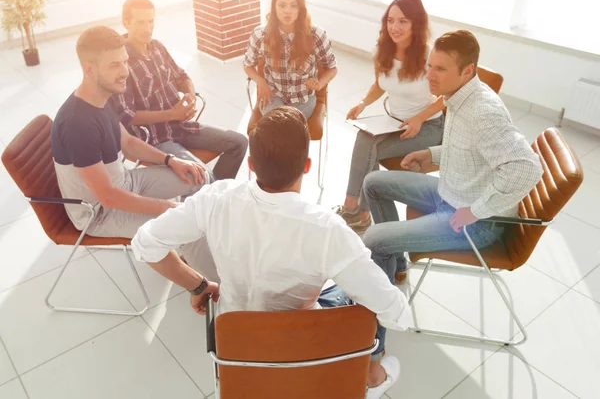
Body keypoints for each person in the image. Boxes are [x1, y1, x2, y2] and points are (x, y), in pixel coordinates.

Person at [131, 107, 413, 399]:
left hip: (236, 346)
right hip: (303, 345)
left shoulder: (216, 199)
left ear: (251, 164)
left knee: (345, 278)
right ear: (306, 165)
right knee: (356, 283)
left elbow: (145, 244)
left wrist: (199, 285)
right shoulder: (329, 230)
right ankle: (373, 375)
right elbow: (396, 314)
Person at [362, 29, 544, 287]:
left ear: (467, 71)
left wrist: (475, 211)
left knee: (373, 239)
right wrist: (431, 154)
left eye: (440, 69)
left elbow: (527, 168)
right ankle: (396, 266)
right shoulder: (459, 97)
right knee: (373, 183)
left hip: (476, 223)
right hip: (452, 191)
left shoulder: (483, 112)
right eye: (430, 66)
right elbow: (471, 149)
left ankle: (380, 310)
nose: (429, 75)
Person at [51, 26, 216, 277]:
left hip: (125, 182)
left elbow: (128, 143)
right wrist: (166, 208)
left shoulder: (102, 97)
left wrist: (171, 160)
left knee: (198, 175)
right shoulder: (78, 124)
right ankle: (228, 291)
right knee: (182, 223)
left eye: (125, 62)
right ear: (89, 69)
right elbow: (108, 197)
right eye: (114, 65)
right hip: (100, 213)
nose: (125, 72)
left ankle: (210, 251)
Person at [334, 0, 445, 233]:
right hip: (393, 122)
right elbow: (379, 84)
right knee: (365, 138)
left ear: (416, 23)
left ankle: (355, 210)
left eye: (403, 21)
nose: (395, 27)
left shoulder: (429, 56)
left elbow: (448, 97)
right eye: (391, 20)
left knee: (368, 150)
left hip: (427, 126)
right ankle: (358, 211)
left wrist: (419, 119)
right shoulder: (381, 51)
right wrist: (363, 103)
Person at [110, 0, 248, 180]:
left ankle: (210, 196)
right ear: (126, 22)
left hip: (182, 126)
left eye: (151, 21)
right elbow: (127, 115)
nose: (147, 28)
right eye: (141, 22)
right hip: (155, 139)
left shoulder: (157, 47)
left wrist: (189, 95)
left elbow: (181, 77)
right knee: (202, 176)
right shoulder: (121, 61)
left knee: (239, 142)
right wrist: (172, 114)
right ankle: (209, 197)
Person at [243, 0, 338, 118]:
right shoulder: (259, 34)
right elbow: (248, 65)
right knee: (279, 126)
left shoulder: (316, 34)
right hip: (273, 97)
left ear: (300, 8)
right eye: (282, 5)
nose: (288, 11)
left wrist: (319, 84)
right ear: (274, 8)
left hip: (302, 101)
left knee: (287, 127)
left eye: (294, 6)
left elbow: (332, 68)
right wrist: (260, 81)